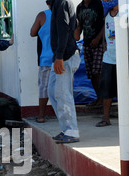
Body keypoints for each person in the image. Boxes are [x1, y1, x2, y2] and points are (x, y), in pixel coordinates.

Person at [48, 0, 81, 144]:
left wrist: (60, 56)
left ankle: (72, 131)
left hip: (65, 56)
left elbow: (65, 29)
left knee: (63, 93)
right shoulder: (58, 3)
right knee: (52, 91)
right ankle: (66, 128)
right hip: (60, 56)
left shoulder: (62, 2)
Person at [74, 0, 104, 107]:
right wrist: (76, 33)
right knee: (90, 73)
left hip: (99, 43)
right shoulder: (79, 7)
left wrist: (98, 38)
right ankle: (98, 97)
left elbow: (105, 23)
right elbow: (80, 25)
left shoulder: (99, 4)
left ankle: (102, 98)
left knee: (97, 72)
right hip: (87, 43)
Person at [30, 0, 54, 123]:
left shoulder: (42, 15)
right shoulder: (65, 14)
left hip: (46, 58)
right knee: (63, 89)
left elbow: (32, 33)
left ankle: (41, 116)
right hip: (64, 58)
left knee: (44, 87)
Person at [95, 2, 118, 127]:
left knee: (124, 89)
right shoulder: (107, 15)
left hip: (122, 58)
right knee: (106, 89)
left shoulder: (124, 15)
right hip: (109, 58)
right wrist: (104, 42)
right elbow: (106, 29)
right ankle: (106, 118)